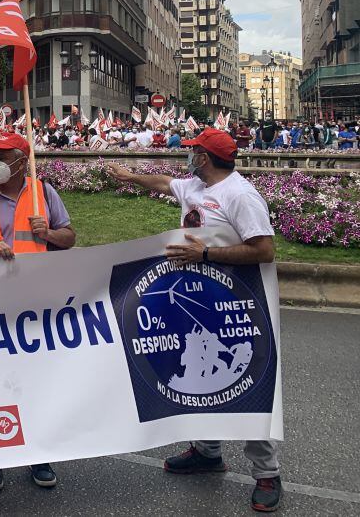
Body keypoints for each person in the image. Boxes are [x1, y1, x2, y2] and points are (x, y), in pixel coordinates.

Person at [106, 128, 283, 512]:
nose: (188, 156)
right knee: (200, 376)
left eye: (193, 151)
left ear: (205, 158)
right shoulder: (195, 187)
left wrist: (206, 255)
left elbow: (264, 250)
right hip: (195, 301)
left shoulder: (240, 195)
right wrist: (130, 176)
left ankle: (266, 473)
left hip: (233, 306)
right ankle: (207, 452)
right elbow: (164, 182)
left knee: (246, 384)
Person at [0, 133, 76, 492]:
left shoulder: (44, 193)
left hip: (35, 306)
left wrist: (49, 233)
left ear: (22, 162)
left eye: (2, 157)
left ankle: (39, 454)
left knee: (35, 382)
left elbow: (70, 237)